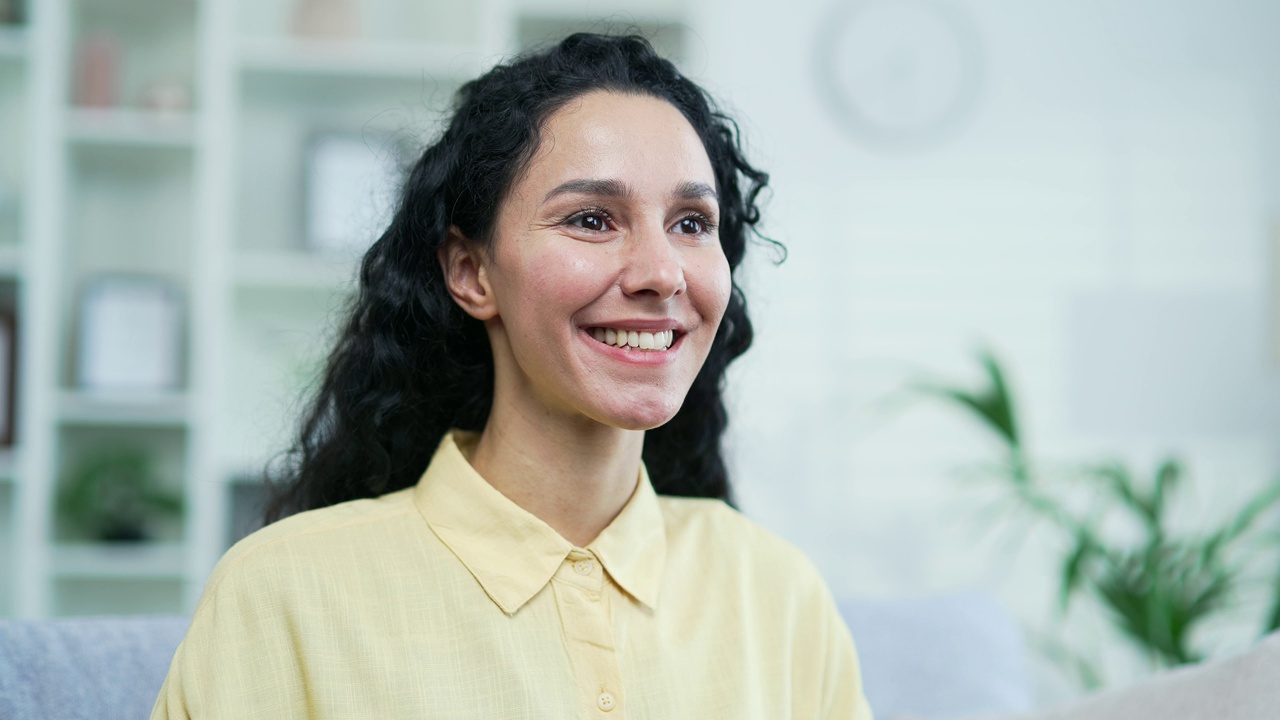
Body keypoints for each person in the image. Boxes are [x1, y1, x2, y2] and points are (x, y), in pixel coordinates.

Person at [151, 32, 873, 719]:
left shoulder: (779, 595)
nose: (661, 273)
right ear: (471, 272)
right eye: (592, 219)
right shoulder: (283, 593)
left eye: (690, 223)